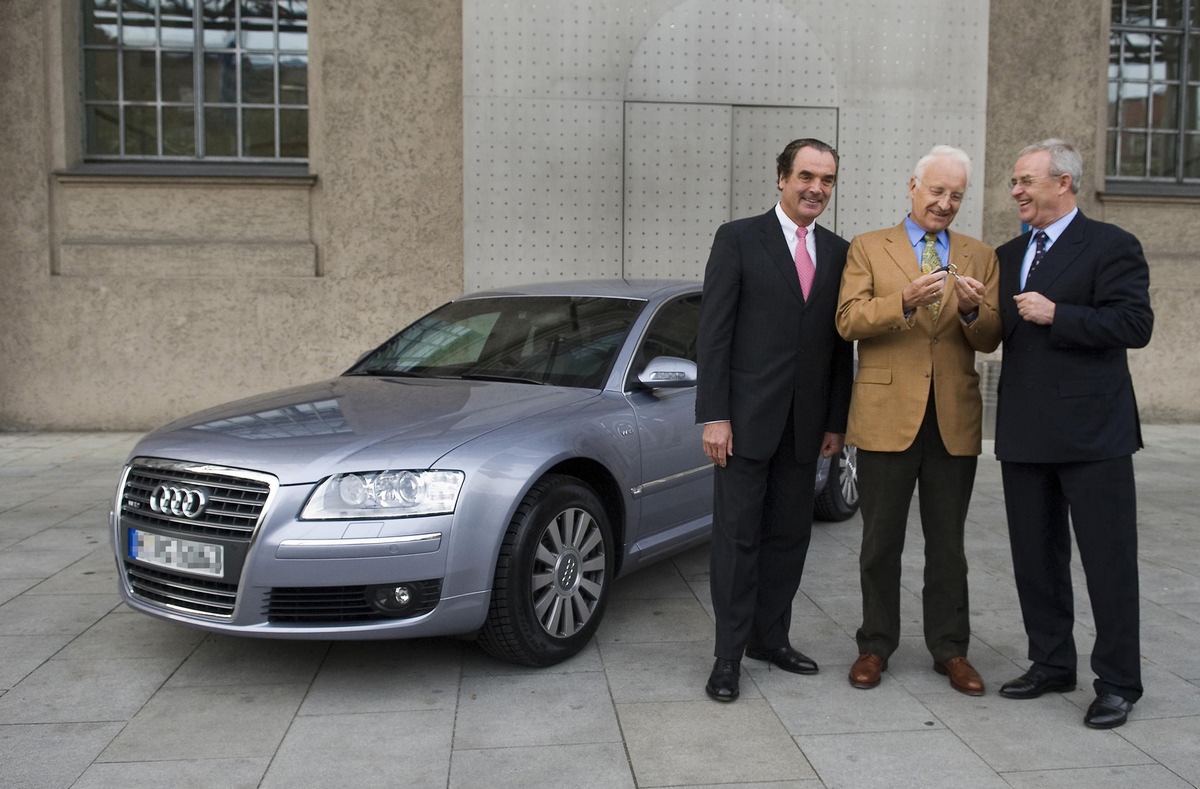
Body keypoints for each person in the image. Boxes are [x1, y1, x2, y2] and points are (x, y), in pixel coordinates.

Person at [994, 139, 1153, 729]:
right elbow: (995, 333)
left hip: (1096, 437)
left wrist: (1059, 314)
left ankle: (1117, 682)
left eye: (1025, 181)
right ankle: (1051, 662)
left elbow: (1135, 324)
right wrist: (967, 310)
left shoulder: (1112, 245)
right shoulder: (1007, 253)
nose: (1016, 191)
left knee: (1108, 563)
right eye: (1014, 182)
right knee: (1035, 560)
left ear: (1063, 183)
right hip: (1024, 432)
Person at [835, 145, 1001, 695]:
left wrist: (976, 311)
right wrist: (903, 300)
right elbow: (848, 321)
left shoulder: (979, 255)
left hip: (952, 418)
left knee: (948, 544)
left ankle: (951, 650)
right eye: (937, 191)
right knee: (880, 541)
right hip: (887, 416)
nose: (946, 203)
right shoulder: (868, 247)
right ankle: (874, 645)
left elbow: (990, 336)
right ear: (913, 186)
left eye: (956, 195)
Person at [696, 138, 853, 702]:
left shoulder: (839, 252)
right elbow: (713, 334)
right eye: (807, 176)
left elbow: (840, 347)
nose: (816, 188)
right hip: (742, 425)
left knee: (789, 538)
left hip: (806, 427)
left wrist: (836, 420)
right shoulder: (738, 238)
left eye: (827, 180)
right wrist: (714, 414)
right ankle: (727, 657)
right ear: (782, 178)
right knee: (737, 541)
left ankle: (772, 639)